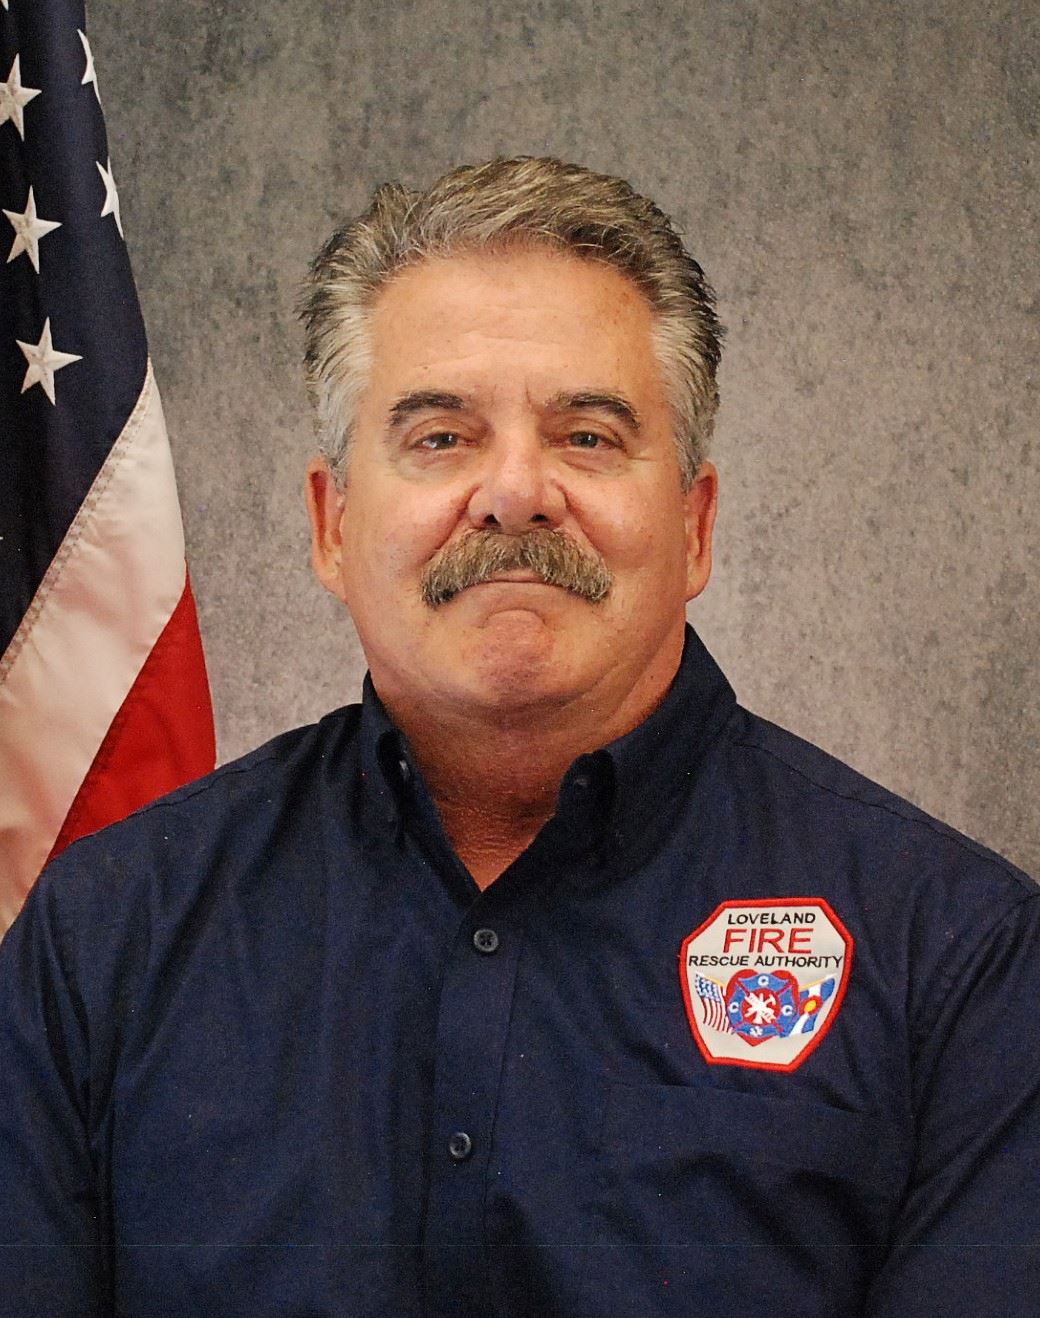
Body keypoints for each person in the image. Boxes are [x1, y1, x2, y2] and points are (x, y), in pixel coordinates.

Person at [1, 157, 1038, 1318]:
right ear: (331, 525)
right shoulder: (105, 937)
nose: (512, 491)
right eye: (440, 436)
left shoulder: (959, 961)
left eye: (587, 437)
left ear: (693, 527)